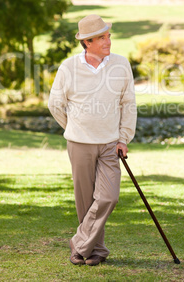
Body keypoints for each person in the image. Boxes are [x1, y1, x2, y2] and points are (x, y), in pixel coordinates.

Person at [48, 14, 137, 266]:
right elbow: (55, 104)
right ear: (87, 42)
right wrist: (74, 128)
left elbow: (128, 104)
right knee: (86, 202)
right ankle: (94, 251)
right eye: (102, 38)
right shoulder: (68, 67)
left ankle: (78, 244)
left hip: (110, 144)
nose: (108, 41)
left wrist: (123, 138)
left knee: (108, 197)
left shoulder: (121, 64)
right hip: (79, 144)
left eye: (108, 36)